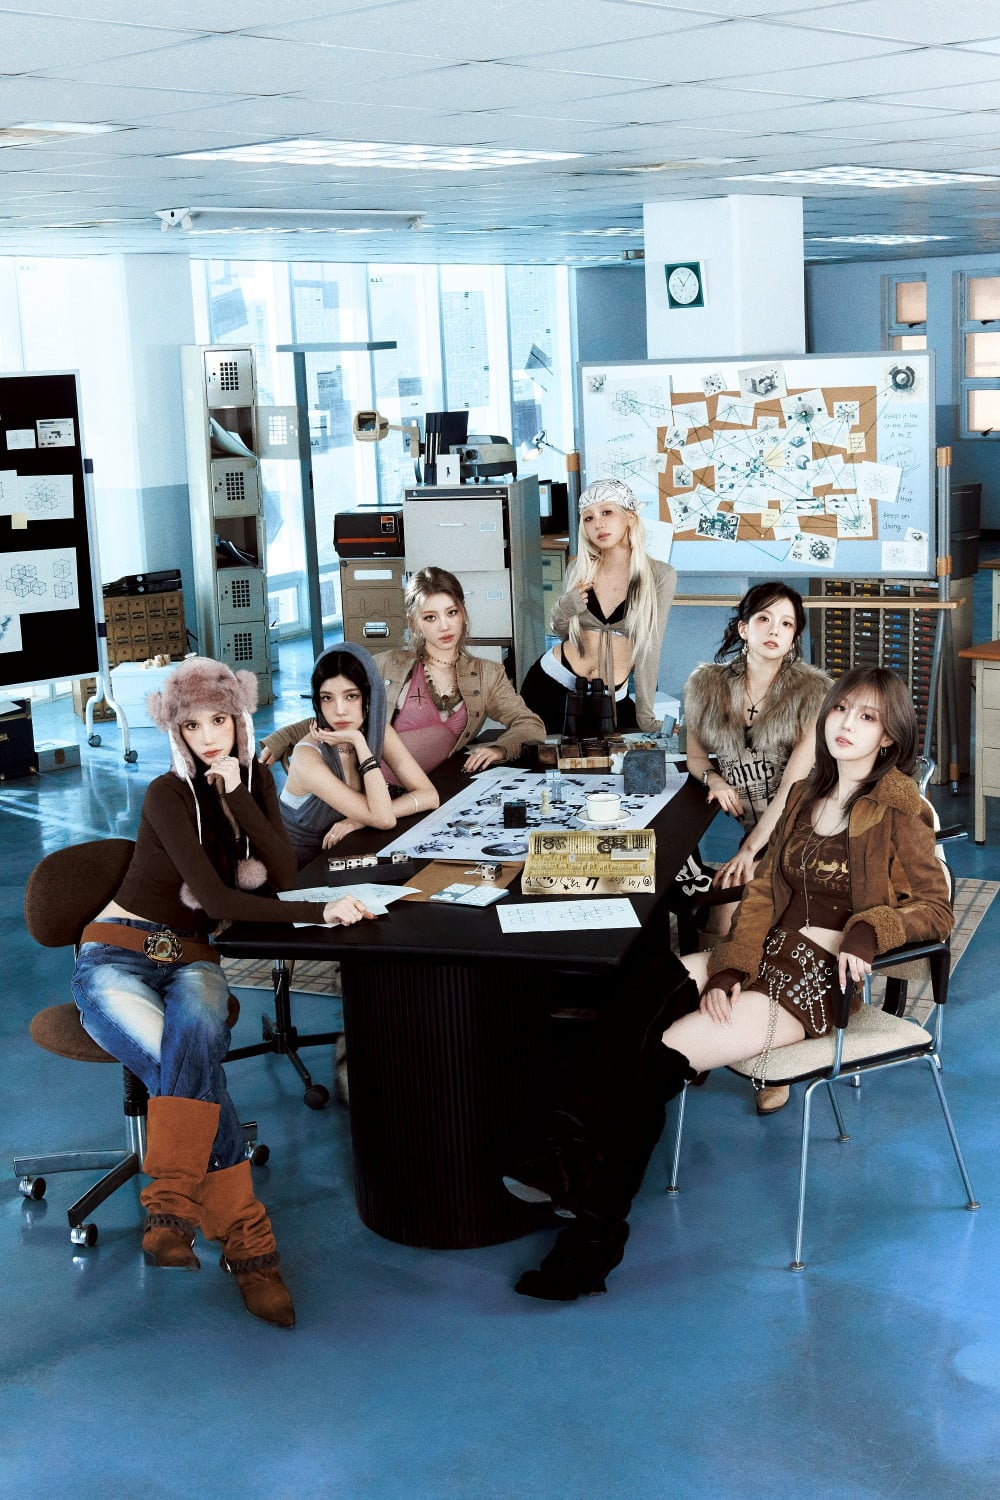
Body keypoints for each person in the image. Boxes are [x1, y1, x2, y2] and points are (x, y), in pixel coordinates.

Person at [504, 667, 952, 1301]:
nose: (846, 724)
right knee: (637, 995)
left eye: (867, 717)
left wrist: (867, 931)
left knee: (660, 1057)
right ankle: (570, 1160)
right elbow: (764, 893)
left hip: (812, 982)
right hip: (764, 953)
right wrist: (731, 968)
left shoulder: (901, 809)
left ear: (889, 737)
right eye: (841, 709)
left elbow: (935, 909)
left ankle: (594, 1236)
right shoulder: (808, 793)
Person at [69, 657, 375, 1328]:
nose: (209, 737)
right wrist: (323, 914)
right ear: (175, 731)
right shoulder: (166, 795)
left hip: (192, 959)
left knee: (195, 1047)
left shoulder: (254, 777)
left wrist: (239, 797)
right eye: (193, 725)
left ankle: (171, 1208)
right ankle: (251, 1250)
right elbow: (216, 899)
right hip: (118, 955)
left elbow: (283, 873)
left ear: (239, 718)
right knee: (194, 1066)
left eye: (220, 720)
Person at [682, 583, 830, 1112]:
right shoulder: (706, 685)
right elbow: (695, 756)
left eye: (787, 624)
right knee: (719, 910)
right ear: (743, 628)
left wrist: (751, 852)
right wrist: (714, 780)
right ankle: (707, 1031)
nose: (775, 631)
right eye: (764, 619)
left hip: (808, 831)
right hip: (758, 833)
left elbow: (794, 788)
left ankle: (776, 1058)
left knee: (758, 914)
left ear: (795, 638)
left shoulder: (813, 693)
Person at [262, 567, 546, 783]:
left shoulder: (487, 674)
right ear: (415, 622)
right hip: (372, 790)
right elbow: (339, 713)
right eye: (430, 617)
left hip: (436, 790)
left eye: (451, 612)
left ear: (463, 612)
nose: (444, 626)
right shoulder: (386, 665)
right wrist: (283, 737)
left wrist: (500, 749)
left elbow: (531, 725)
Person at [519, 478, 675, 735]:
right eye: (588, 518)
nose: (598, 524)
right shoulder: (579, 569)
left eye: (607, 512)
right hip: (552, 683)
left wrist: (645, 716)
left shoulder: (660, 575)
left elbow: (650, 648)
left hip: (610, 698)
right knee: (542, 758)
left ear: (630, 517)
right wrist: (566, 606)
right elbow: (561, 631)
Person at [277, 640, 439, 865]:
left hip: (348, 855)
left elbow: (430, 796)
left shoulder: (378, 731)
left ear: (370, 695)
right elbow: (383, 819)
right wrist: (359, 742)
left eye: (351, 696)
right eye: (327, 698)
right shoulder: (307, 757)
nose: (339, 711)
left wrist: (358, 820)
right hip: (298, 869)